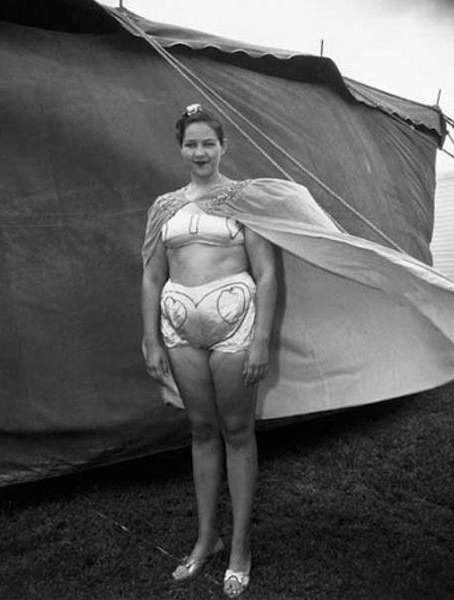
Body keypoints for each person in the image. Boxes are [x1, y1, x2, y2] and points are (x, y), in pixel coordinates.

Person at [141, 103, 277, 597]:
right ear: (181, 149)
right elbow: (153, 274)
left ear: (223, 147)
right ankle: (207, 539)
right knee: (201, 429)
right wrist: (151, 338)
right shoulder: (164, 207)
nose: (200, 151)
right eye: (191, 143)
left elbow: (266, 272)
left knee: (238, 430)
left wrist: (261, 337)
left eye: (208, 143)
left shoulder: (244, 201)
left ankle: (240, 547)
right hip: (179, 329)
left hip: (236, 327)